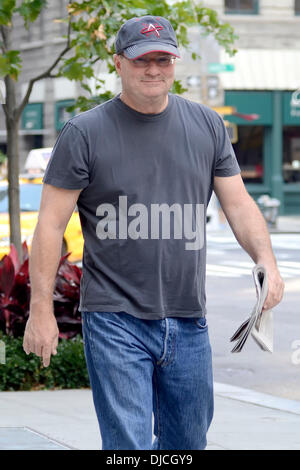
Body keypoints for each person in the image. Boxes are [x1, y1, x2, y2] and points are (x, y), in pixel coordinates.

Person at [23, 15, 284, 450]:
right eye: (142, 60)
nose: (154, 69)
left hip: (188, 318)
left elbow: (238, 204)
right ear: (119, 62)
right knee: (129, 446)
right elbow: (50, 226)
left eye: (163, 59)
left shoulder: (207, 126)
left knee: (188, 443)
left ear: (175, 62)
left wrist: (267, 262)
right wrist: (41, 310)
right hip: (114, 318)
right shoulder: (83, 133)